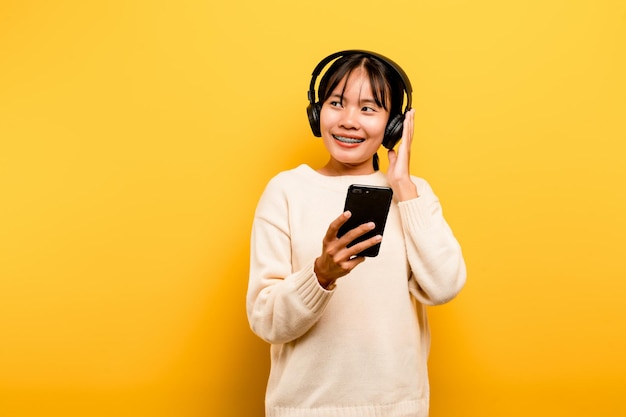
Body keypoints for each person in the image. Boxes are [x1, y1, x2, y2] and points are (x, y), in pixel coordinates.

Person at [246, 50, 466, 417]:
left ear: (393, 125)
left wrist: (404, 190)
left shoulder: (414, 193)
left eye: (368, 108)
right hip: (304, 409)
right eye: (336, 103)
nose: (349, 121)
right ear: (317, 114)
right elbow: (266, 320)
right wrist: (320, 275)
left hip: (398, 409)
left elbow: (444, 286)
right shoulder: (286, 191)